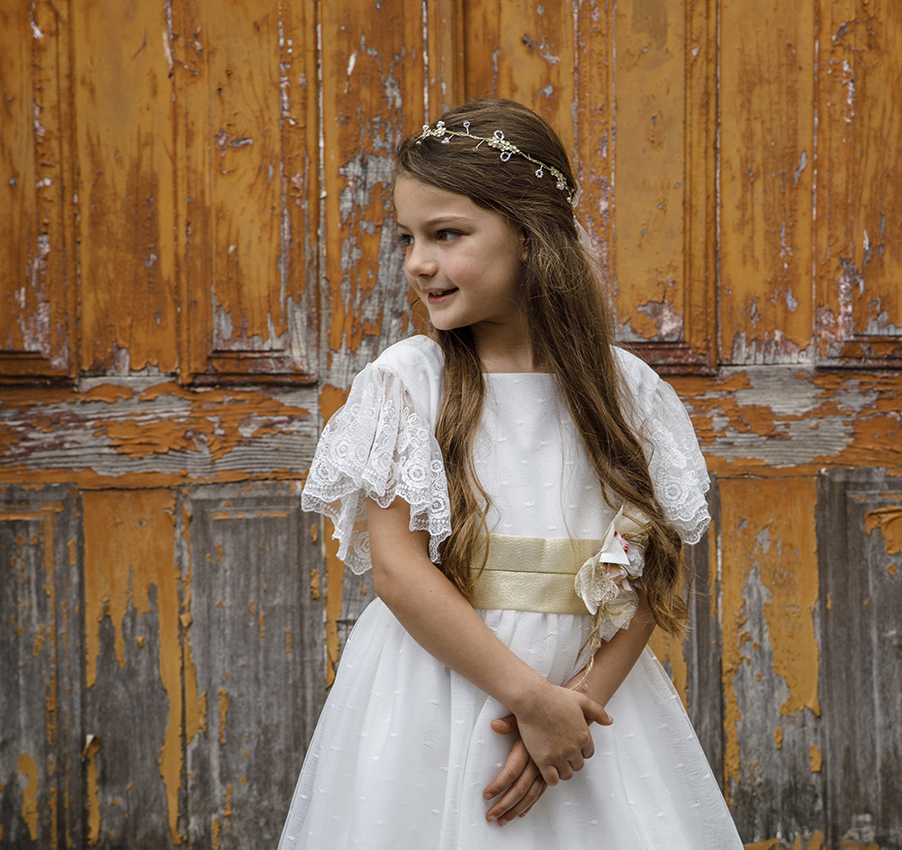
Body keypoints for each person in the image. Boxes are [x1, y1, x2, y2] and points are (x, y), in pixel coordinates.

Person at [279, 99, 743, 848]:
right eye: (408, 238)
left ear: (530, 237)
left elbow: (655, 567)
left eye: (447, 234)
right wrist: (527, 697)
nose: (418, 261)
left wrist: (573, 708)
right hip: (438, 691)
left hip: (588, 707)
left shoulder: (628, 393)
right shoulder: (410, 382)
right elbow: (397, 570)